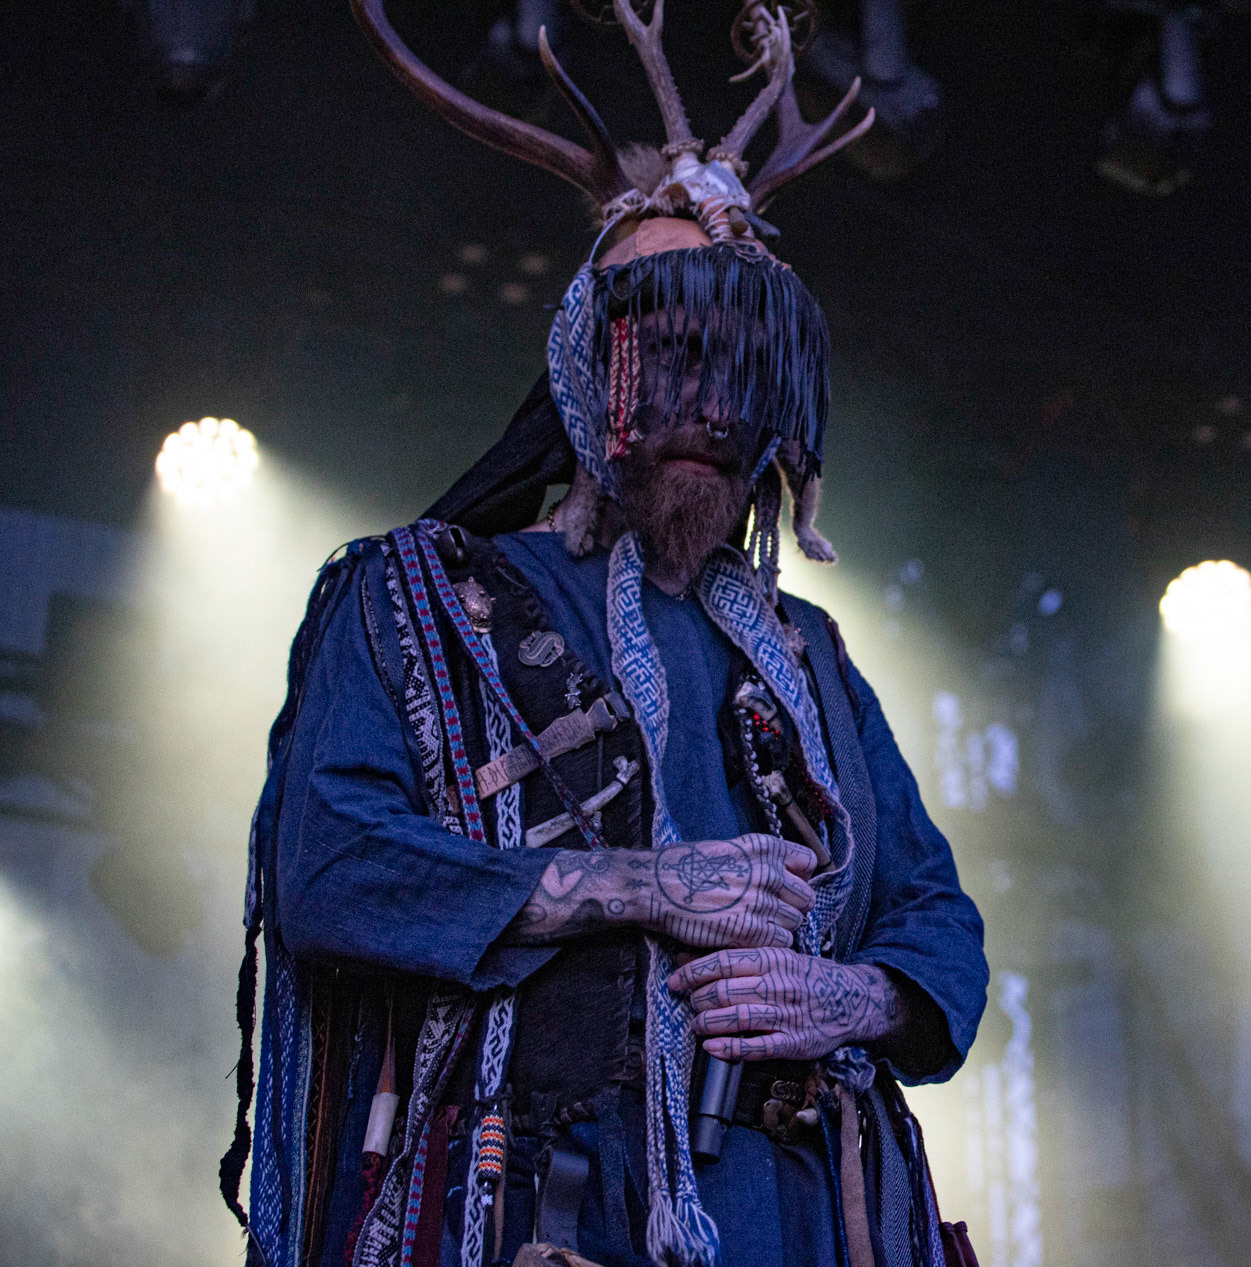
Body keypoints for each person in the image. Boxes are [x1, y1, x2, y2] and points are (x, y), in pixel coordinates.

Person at [223, 6, 988, 1267]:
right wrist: (646, 885)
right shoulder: (416, 600)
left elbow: (935, 919)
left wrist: (856, 993)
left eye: (741, 369)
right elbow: (332, 868)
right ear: (590, 373)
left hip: (805, 1219)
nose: (709, 404)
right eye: (670, 355)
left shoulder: (814, 659)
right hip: (539, 1212)